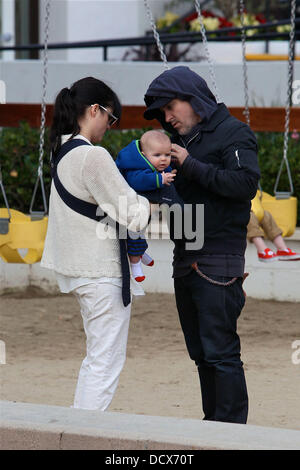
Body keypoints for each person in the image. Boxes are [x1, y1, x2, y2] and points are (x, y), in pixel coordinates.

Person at [143, 66, 261, 424]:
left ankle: (230, 436)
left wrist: (190, 165)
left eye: (169, 108)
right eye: (160, 113)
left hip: (218, 260)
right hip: (185, 259)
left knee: (221, 353)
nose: (166, 118)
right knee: (202, 354)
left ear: (192, 98)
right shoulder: (180, 142)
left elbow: (245, 184)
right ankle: (213, 432)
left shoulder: (233, 132)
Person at [41, 77, 150, 411]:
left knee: (96, 359)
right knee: (104, 363)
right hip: (101, 271)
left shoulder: (62, 149)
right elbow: (133, 214)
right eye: (111, 117)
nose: (110, 126)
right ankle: (83, 436)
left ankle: (79, 431)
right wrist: (148, 200)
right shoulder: (93, 156)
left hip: (80, 268)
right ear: (94, 110)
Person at [116, 130, 176, 281]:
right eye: (157, 155)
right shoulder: (134, 167)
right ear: (143, 154)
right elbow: (137, 181)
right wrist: (160, 179)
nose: (163, 159)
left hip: (144, 207)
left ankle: (141, 253)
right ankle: (135, 265)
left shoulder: (156, 165)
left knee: (141, 230)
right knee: (134, 233)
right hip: (130, 209)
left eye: (167, 155)